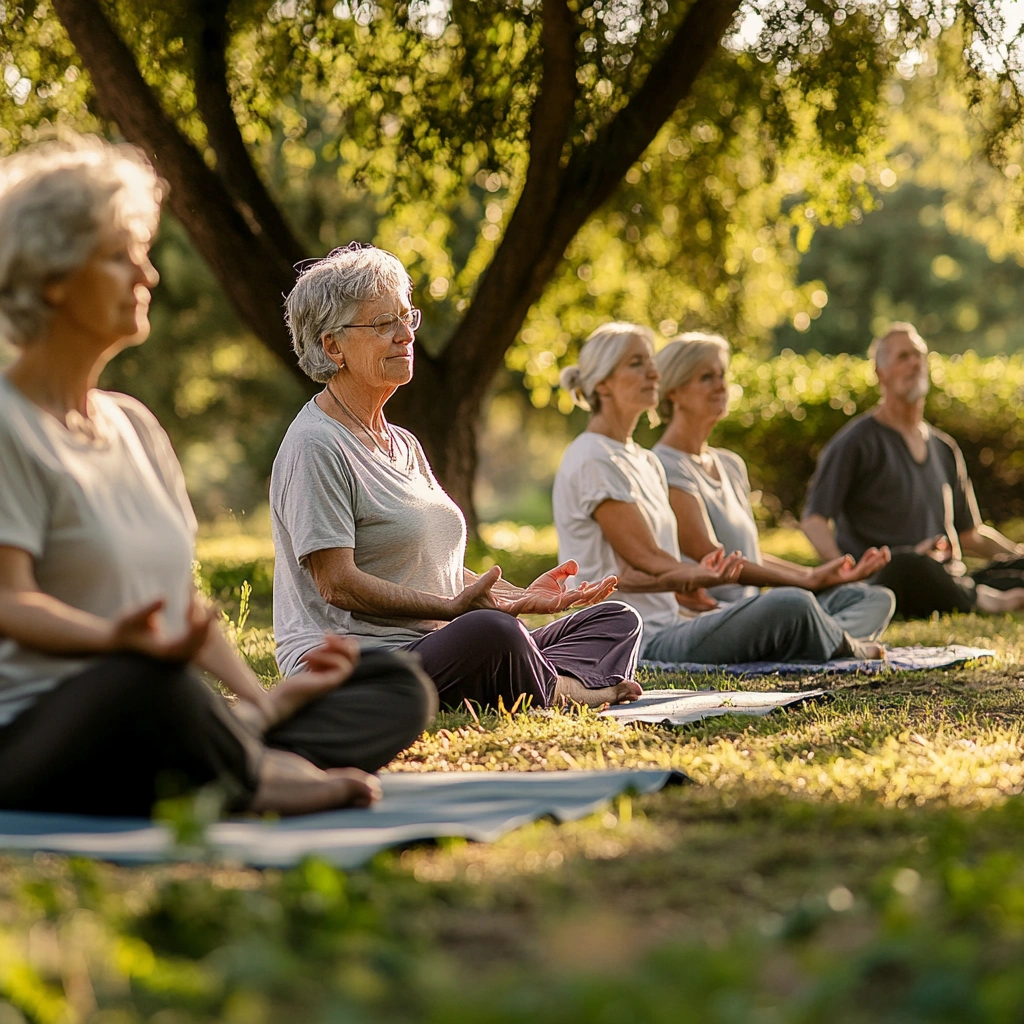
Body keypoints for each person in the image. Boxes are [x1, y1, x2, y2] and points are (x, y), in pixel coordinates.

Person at [0, 135, 436, 818]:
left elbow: (183, 611)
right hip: (35, 730)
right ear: (51, 275)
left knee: (391, 684)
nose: (147, 276)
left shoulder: (135, 429)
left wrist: (268, 698)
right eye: (121, 257)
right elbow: (10, 602)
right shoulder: (8, 424)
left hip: (153, 709)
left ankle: (234, 747)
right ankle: (250, 774)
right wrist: (114, 641)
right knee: (147, 685)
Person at [270, 243, 644, 711]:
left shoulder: (403, 442)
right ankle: (568, 691)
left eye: (407, 318)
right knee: (491, 634)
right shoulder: (316, 444)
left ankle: (525, 677)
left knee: (615, 620)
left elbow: (429, 569)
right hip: (356, 665)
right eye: (384, 324)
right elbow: (337, 584)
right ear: (332, 346)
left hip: (439, 646)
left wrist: (522, 598)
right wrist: (451, 611)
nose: (405, 335)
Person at [553, 322, 890, 665]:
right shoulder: (593, 459)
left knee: (868, 599)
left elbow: (632, 572)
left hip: (673, 622)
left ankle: (811, 636)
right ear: (603, 383)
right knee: (792, 604)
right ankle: (839, 643)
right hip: (634, 642)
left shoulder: (643, 460)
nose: (654, 372)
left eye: (651, 361)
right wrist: (701, 575)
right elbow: (646, 559)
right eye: (637, 363)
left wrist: (686, 589)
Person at [652, 333, 895, 640]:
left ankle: (821, 640)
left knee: (874, 598)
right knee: (794, 603)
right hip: (715, 617)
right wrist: (808, 581)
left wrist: (819, 576)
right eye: (706, 377)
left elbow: (749, 555)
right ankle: (833, 640)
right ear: (674, 391)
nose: (720, 385)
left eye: (722, 374)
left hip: (758, 607)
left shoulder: (730, 464)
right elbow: (717, 561)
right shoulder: (664, 465)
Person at [802, 322, 1024, 618]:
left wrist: (1015, 554)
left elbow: (971, 534)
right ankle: (985, 601)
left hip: (949, 579)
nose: (915, 363)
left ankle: (976, 593)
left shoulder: (945, 447)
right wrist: (851, 574)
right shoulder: (854, 442)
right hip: (890, 580)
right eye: (903, 357)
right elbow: (814, 520)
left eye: (920, 354)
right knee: (910, 563)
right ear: (879, 373)